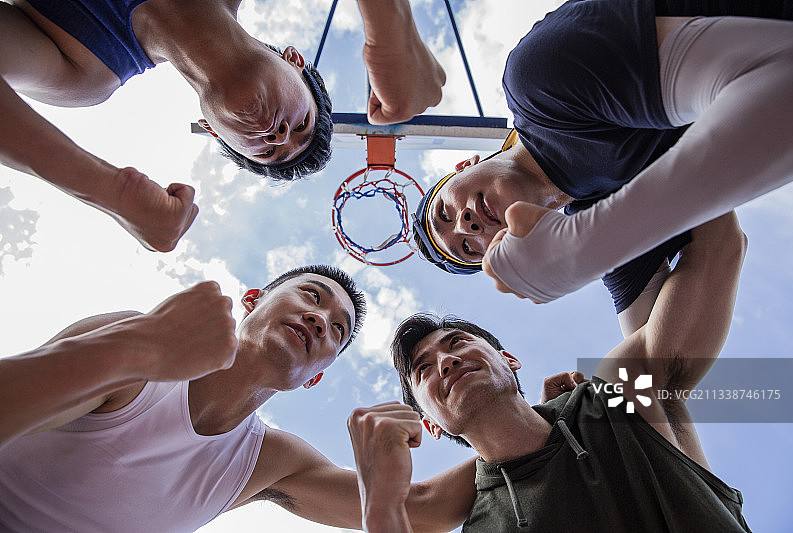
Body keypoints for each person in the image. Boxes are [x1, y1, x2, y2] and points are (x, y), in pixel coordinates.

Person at [349, 212, 752, 531]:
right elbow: (291, 475)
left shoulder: (615, 394)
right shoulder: (485, 525)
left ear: (509, 359)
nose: (445, 361)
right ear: (431, 426)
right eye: (423, 370)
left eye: (456, 342)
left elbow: (720, 246)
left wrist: (581, 179)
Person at [0, 265, 477, 532]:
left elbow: (426, 508)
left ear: (316, 377)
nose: (319, 320)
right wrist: (136, 347)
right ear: (252, 301)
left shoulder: (268, 461)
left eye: (337, 329)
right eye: (312, 297)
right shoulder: (142, 350)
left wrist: (548, 419)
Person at [411, 1, 793, 316]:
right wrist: (579, 404)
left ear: (462, 166)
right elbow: (651, 368)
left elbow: (788, 75)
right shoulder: (602, 226)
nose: (465, 225)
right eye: (468, 249)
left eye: (446, 212)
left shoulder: (537, 82)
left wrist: (586, 248)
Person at [0, 0, 445, 252]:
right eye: (301, 123)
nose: (278, 136)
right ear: (293, 61)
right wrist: (391, 24)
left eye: (268, 150)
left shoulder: (85, 74)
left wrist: (109, 191)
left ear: (212, 129)